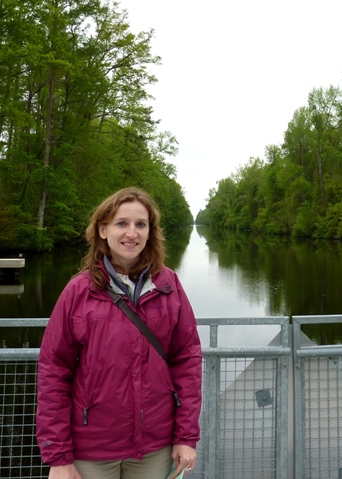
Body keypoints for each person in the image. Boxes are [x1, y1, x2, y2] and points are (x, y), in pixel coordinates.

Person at [37, 187, 202, 479]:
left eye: (141, 224)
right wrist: (59, 456)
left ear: (151, 232)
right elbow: (54, 371)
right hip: (92, 448)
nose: (132, 233)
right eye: (121, 223)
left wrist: (185, 436)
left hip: (155, 446)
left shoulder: (169, 286)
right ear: (102, 229)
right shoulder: (79, 291)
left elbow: (187, 361)